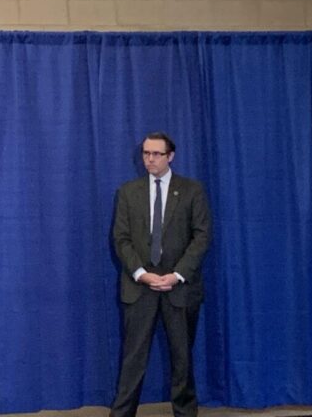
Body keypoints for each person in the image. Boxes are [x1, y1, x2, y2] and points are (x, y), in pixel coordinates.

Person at [110, 132, 211, 417]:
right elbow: (121, 239)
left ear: (170, 156)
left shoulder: (192, 191)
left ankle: (185, 413)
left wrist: (177, 274)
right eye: (146, 153)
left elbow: (202, 237)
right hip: (139, 288)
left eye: (156, 154)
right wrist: (141, 273)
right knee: (133, 360)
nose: (150, 159)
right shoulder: (128, 192)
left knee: (182, 360)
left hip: (179, 288)